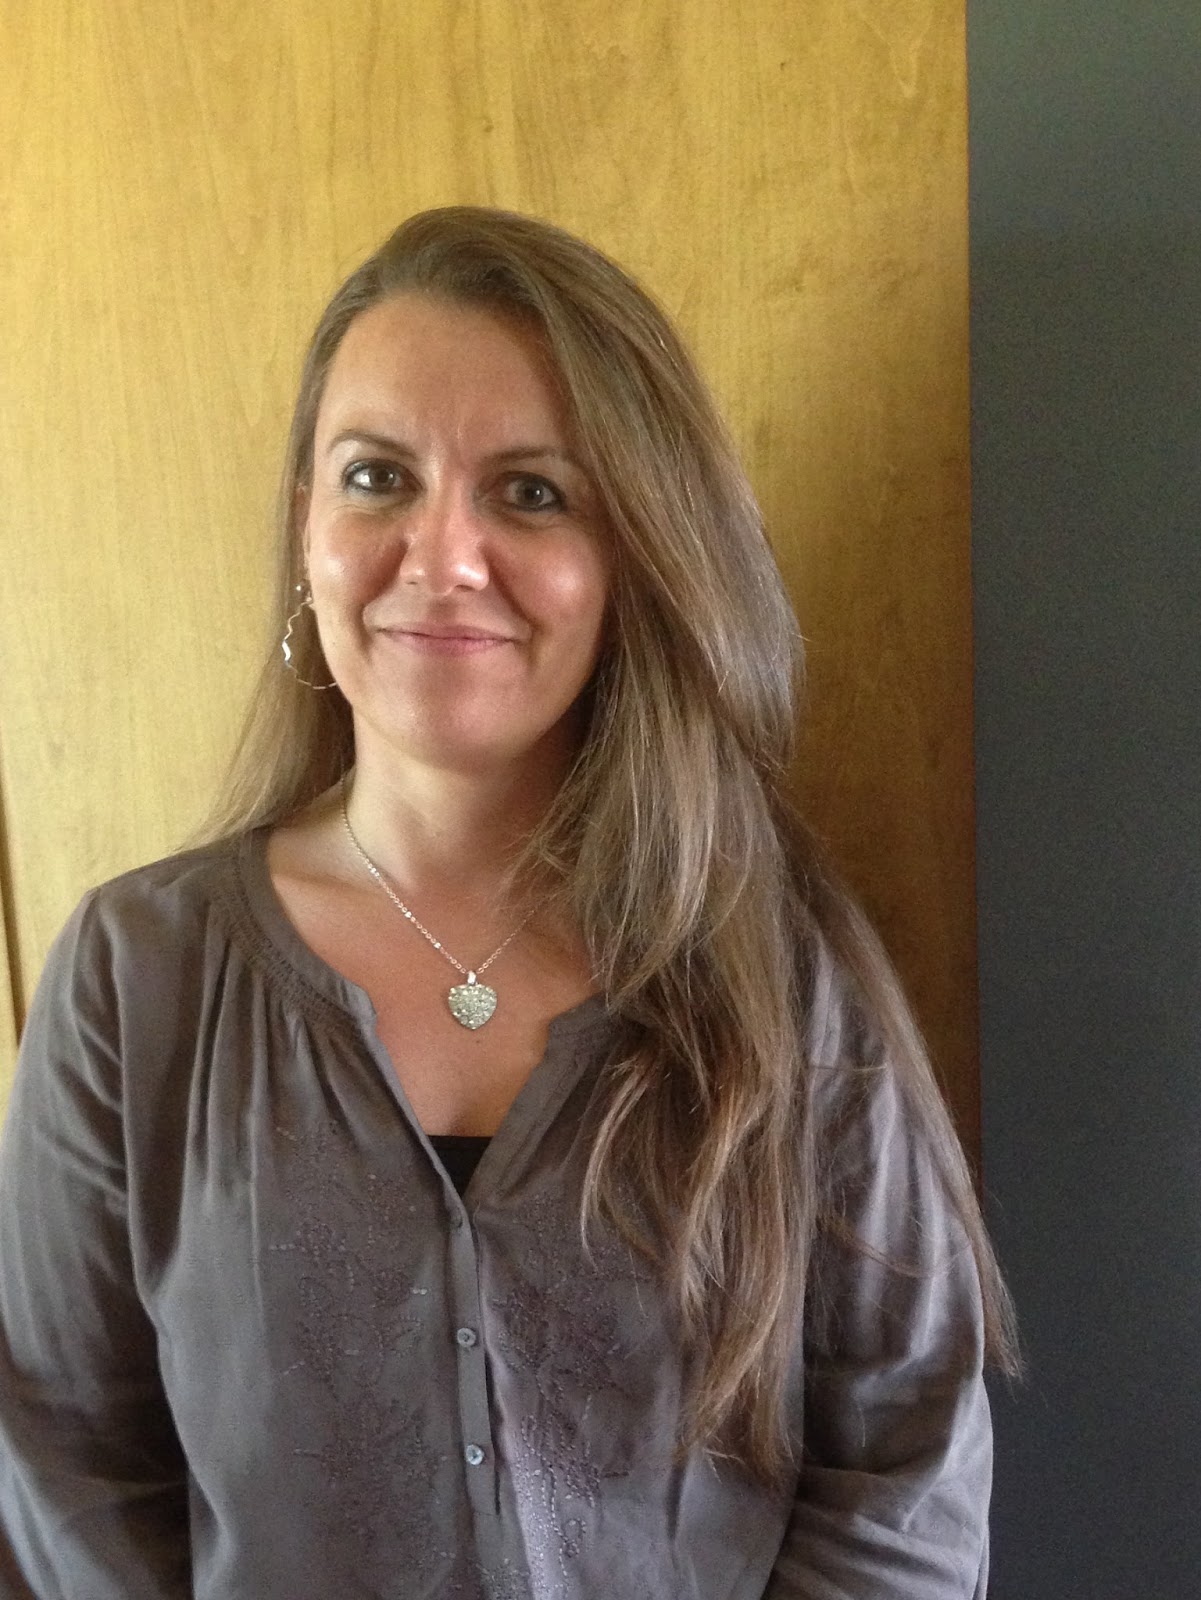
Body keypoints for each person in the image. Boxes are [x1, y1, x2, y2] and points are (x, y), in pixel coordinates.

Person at [0, 207, 1017, 1600]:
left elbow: (898, 1461)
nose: (441, 555)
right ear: (303, 525)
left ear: (632, 556)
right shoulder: (137, 977)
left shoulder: (774, 969)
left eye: (531, 491)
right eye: (376, 476)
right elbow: (69, 1455)